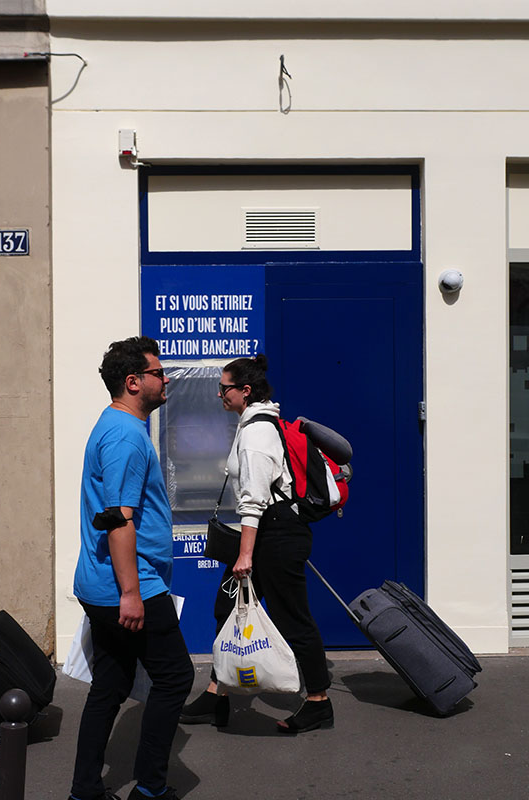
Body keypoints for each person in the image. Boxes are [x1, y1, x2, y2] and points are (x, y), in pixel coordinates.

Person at [180, 353, 333, 734]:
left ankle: (319, 702)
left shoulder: (256, 434)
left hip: (275, 535)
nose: (219, 395)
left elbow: (254, 501)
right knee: (225, 607)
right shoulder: (255, 423)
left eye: (224, 388)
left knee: (292, 618)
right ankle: (218, 695)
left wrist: (244, 555)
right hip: (268, 533)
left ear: (245, 391)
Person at [69, 336, 194, 800]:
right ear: (133, 381)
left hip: (104, 582)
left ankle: (84, 790)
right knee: (176, 676)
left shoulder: (118, 426)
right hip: (129, 582)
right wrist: (131, 594)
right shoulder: (124, 435)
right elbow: (118, 519)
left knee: (110, 684)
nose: (166, 381)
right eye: (159, 374)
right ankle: (151, 788)